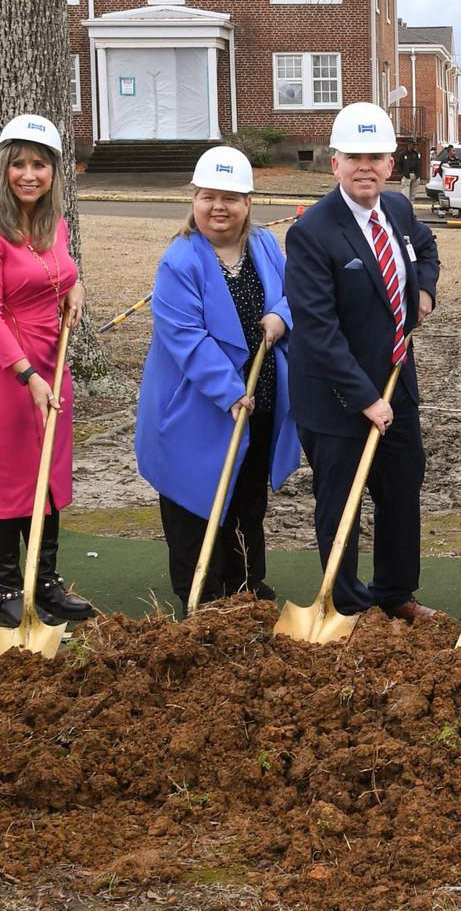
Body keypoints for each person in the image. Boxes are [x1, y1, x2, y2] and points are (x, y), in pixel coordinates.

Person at [283, 103, 441, 620]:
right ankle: (347, 604)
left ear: (390, 163)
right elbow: (318, 330)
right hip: (336, 399)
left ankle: (395, 594)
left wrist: (425, 291)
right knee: (341, 505)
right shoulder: (312, 232)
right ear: (335, 164)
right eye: (354, 157)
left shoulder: (397, 210)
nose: (365, 167)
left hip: (398, 384)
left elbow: (427, 248)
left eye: (375, 156)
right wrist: (366, 399)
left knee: (400, 493)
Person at [134, 146, 302, 613]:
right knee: (196, 498)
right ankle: (203, 593)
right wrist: (229, 393)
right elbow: (186, 339)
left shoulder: (265, 245)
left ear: (249, 202)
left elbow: (293, 294)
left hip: (258, 398)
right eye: (208, 196)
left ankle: (247, 585)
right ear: (194, 199)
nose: (218, 207)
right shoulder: (179, 261)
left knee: (247, 499)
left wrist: (280, 317)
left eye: (230, 197)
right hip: (196, 405)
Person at [0, 114, 93, 627]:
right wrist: (26, 375)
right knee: (8, 480)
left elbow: (62, 272)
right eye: (18, 163)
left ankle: (46, 584)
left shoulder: (53, 225)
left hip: (51, 366)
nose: (29, 174)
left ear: (54, 172)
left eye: (39, 164)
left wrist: (75, 289)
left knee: (49, 475)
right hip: (4, 373)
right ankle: (8, 589)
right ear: (2, 169)